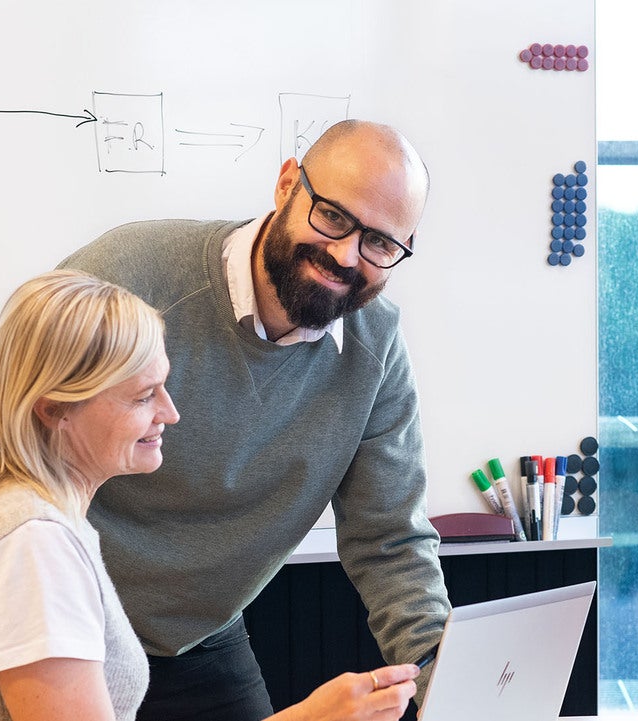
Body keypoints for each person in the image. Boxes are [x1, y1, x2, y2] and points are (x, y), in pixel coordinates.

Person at [58, 119, 450, 720]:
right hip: (66, 626)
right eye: (334, 217)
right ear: (287, 184)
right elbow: (17, 460)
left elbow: (390, 539)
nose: (346, 254)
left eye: (380, 243)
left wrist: (441, 684)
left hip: (203, 638)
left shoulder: (377, 351)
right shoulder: (126, 278)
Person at [0, 270, 421, 721]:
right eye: (142, 396)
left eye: (164, 386)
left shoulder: (24, 514)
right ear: (53, 409)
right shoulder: (32, 549)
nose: (171, 413)